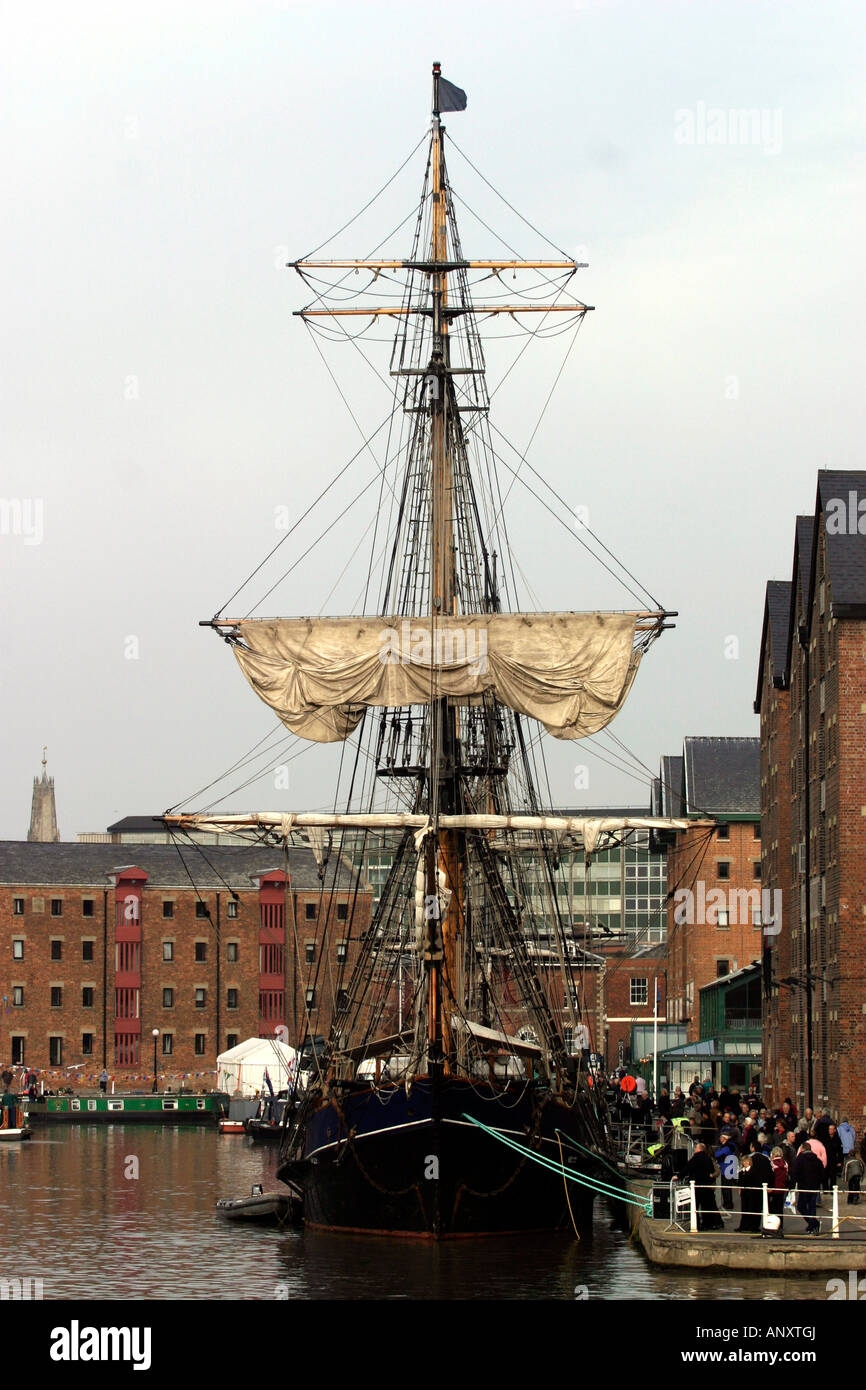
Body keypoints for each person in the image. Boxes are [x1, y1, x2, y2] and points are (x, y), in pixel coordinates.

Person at [685, 1142, 723, 1231]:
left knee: (709, 1205)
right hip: (706, 1185)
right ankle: (710, 1223)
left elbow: (716, 1171)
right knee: (709, 1205)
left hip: (707, 1185)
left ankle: (712, 1223)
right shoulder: (708, 1159)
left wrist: (711, 1175)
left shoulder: (709, 1160)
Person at [790, 1142, 824, 1235]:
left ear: (803, 1149)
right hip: (814, 1187)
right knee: (812, 1207)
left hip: (803, 1187)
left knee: (801, 1206)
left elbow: (795, 1173)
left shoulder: (800, 1159)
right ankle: (813, 1225)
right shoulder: (817, 1160)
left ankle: (813, 1224)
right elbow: (822, 1173)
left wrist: (793, 1185)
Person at [714, 1133, 739, 1211]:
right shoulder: (730, 1146)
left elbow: (718, 1154)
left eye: (721, 1137)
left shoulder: (727, 1147)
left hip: (727, 1168)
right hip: (728, 1168)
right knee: (726, 1187)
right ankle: (727, 1202)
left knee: (726, 1187)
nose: (720, 1138)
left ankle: (728, 1203)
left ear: (724, 1138)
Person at [767, 1147, 788, 1237]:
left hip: (773, 1189)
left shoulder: (772, 1164)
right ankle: (780, 1226)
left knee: (772, 1208)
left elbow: (771, 1177)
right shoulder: (785, 1163)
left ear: (774, 1154)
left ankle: (772, 1226)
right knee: (780, 1209)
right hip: (782, 1188)